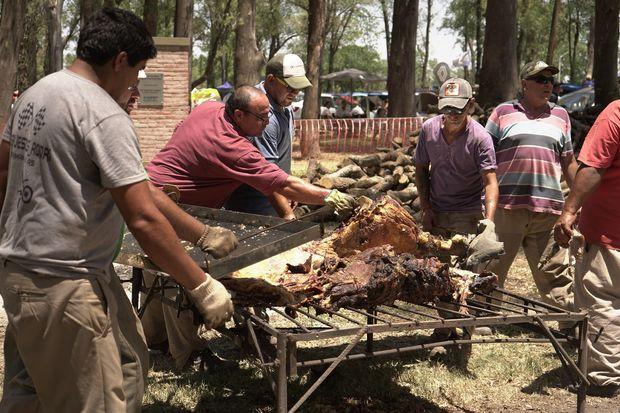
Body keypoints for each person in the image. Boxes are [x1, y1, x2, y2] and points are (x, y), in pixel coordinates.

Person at [0, 8, 238, 412]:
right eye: (138, 70)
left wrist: (199, 233)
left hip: (26, 274)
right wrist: (201, 286)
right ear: (119, 60)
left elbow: (4, 168)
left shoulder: (38, 94)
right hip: (65, 285)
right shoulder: (103, 114)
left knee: (121, 366)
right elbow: (143, 217)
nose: (135, 82)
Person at [143, 86, 357, 370]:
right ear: (239, 114)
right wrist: (329, 196)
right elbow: (283, 183)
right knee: (179, 273)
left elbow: (182, 128)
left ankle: (154, 339)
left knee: (155, 271)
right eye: (261, 116)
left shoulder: (210, 109)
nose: (267, 122)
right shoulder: (231, 146)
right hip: (172, 207)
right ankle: (188, 354)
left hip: (153, 192)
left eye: (269, 114)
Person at [485, 61, 577, 311]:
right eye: (541, 80)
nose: (548, 85)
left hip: (548, 211)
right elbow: (484, 157)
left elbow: (568, 160)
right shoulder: (503, 112)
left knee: (554, 269)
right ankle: (484, 317)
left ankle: (567, 319)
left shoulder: (561, 115)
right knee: (492, 265)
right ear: (524, 84)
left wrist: (579, 200)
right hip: (507, 207)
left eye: (550, 81)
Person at [414, 78, 500, 346]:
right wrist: (426, 207)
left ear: (471, 106)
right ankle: (445, 329)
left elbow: (490, 182)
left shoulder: (480, 137)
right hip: (437, 210)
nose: (452, 116)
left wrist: (488, 222)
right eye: (447, 109)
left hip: (467, 211)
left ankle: (464, 328)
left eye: (458, 110)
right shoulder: (428, 130)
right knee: (439, 271)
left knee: (464, 272)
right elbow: (420, 170)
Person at [554, 99, 620, 397]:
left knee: (603, 301)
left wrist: (569, 210)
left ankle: (603, 379)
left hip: (611, 232)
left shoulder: (617, 112)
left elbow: (593, 167)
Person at [225, 53, 311, 218]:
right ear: (271, 80)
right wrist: (287, 214)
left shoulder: (284, 106)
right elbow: (267, 175)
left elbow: (281, 159)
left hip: (275, 198)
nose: (295, 92)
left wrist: (289, 187)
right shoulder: (262, 115)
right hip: (253, 208)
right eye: (290, 86)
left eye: (298, 87)